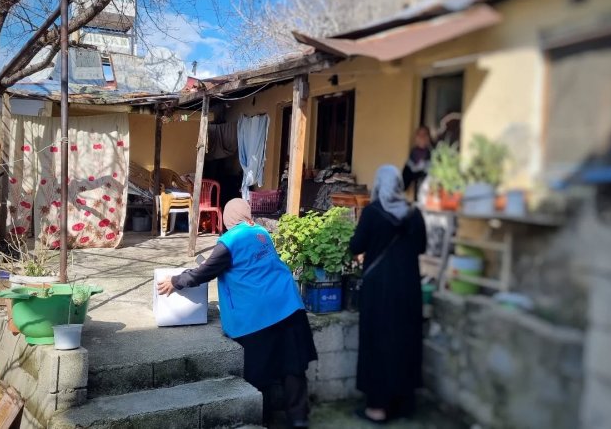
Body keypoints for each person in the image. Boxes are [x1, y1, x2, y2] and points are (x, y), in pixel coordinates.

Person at [156, 198, 317, 428]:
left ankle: (263, 420)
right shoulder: (260, 231)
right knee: (293, 366)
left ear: (226, 218)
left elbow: (204, 272)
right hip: (289, 306)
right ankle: (299, 419)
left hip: (258, 317)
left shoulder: (229, 241)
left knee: (260, 375)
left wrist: (175, 281)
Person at [350, 165, 426, 424]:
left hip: (380, 289)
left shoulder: (373, 213)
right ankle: (403, 404)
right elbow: (422, 247)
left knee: (378, 342)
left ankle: (378, 408)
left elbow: (356, 245)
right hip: (408, 288)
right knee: (405, 339)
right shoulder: (414, 214)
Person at [402, 126, 432, 193]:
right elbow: (404, 184)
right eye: (419, 135)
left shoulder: (434, 154)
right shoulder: (412, 155)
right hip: (416, 193)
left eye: (424, 135)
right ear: (416, 138)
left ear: (428, 138)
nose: (422, 137)